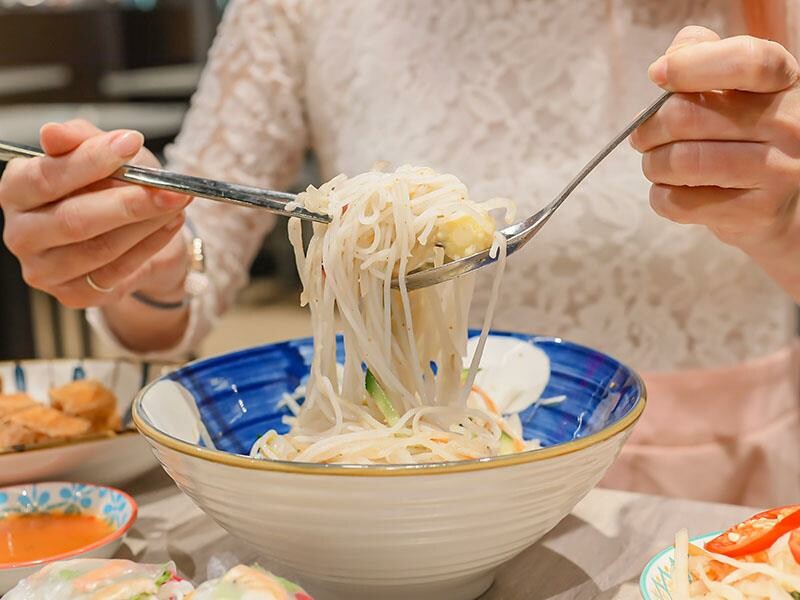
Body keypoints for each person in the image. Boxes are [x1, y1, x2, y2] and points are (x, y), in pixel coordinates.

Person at [1, 1, 798, 506]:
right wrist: (139, 254)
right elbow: (191, 264)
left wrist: (786, 219)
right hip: (398, 500)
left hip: (726, 500)